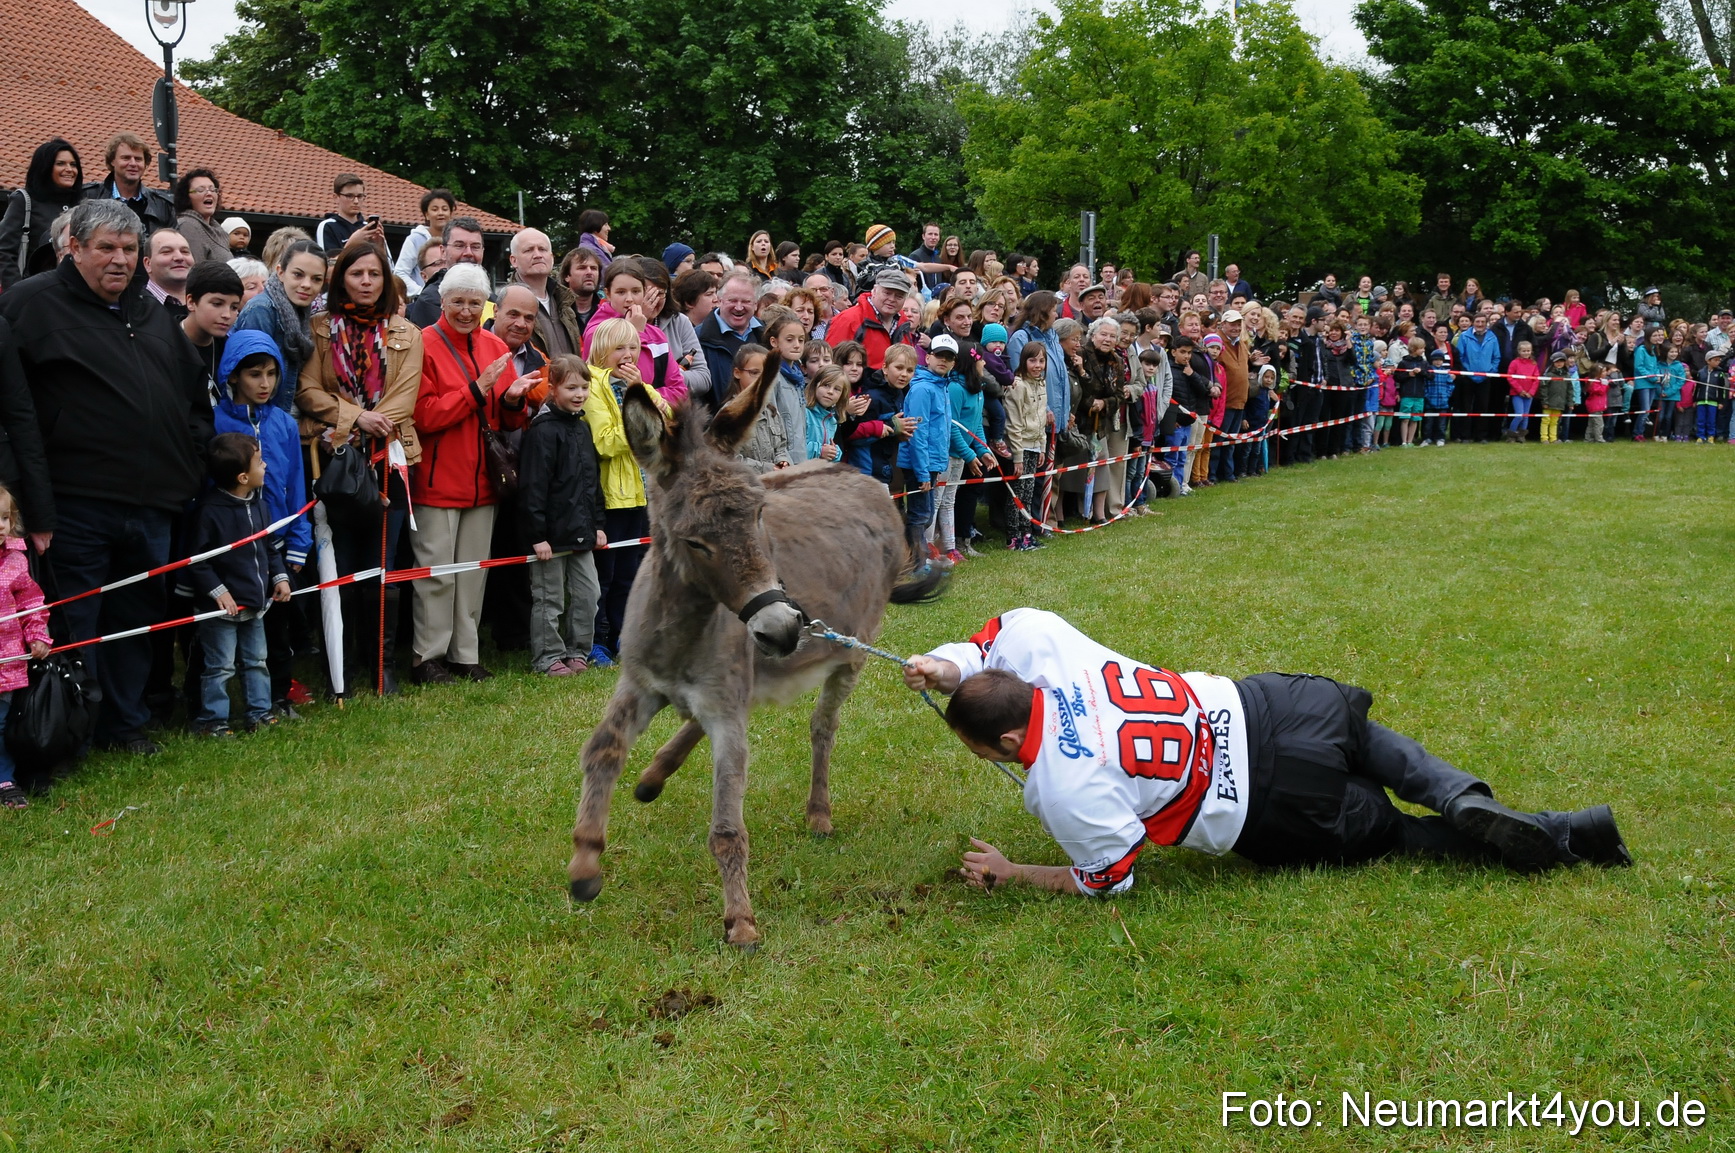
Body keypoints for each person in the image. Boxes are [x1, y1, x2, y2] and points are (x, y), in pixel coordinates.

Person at [904, 608, 1633, 894]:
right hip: (1270, 703)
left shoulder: (1061, 787)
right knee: (1385, 753)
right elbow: (991, 638)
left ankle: (1569, 834)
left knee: (1401, 837)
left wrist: (1015, 870)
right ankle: (1462, 793)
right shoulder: (1040, 643)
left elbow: (1109, 878)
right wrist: (949, 662)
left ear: (1003, 743)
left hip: (1271, 803)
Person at [0, 200, 210, 754]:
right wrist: (32, 508)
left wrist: (186, 466)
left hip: (153, 503)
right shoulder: (30, 305)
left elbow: (193, 401)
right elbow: (13, 414)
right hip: (74, 503)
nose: (120, 260)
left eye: (128, 249)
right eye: (105, 248)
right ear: (74, 247)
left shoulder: (152, 314)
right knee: (77, 624)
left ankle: (125, 725)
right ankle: (72, 729)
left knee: (135, 622)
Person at [298, 238, 423, 695]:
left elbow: (404, 398)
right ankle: (343, 663)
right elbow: (307, 391)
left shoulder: (408, 333)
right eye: (356, 274)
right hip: (333, 461)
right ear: (341, 278)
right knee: (340, 565)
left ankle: (381, 666)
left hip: (388, 459)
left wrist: (371, 420)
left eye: (374, 274)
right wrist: (355, 417)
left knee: (382, 566)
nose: (366, 282)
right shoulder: (318, 329)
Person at [411, 263, 531, 683]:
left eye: (473, 303)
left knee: (473, 573)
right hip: (437, 477)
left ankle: (466, 654)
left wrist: (515, 401)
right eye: (458, 301)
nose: (465, 310)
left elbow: (510, 421)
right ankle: (428, 657)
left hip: (484, 480)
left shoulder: (495, 345)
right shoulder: (422, 343)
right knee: (436, 574)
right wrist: (474, 391)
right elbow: (423, 415)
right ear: (441, 302)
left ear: (485, 307)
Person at [185, 433, 292, 738]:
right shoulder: (209, 511)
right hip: (220, 612)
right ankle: (213, 721)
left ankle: (259, 713)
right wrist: (219, 592)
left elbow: (269, 547)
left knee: (257, 661)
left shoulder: (259, 505)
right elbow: (197, 560)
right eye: (260, 461)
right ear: (243, 476)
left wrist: (279, 577)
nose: (266, 465)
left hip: (255, 605)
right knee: (220, 667)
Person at [584, 318, 669, 665]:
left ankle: (624, 635)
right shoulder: (592, 384)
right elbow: (604, 442)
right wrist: (643, 430)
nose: (628, 354)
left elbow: (668, 418)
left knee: (629, 574)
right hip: (610, 493)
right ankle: (596, 640)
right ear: (603, 351)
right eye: (620, 347)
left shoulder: (639, 385)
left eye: (634, 347)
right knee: (604, 575)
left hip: (641, 492)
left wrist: (642, 393)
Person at [519, 354, 608, 676]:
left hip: (581, 532)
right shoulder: (542, 432)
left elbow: (591, 482)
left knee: (588, 595)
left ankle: (577, 651)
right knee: (550, 599)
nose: (579, 394)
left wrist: (597, 524)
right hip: (550, 539)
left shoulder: (582, 428)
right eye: (571, 387)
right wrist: (538, 536)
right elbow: (533, 488)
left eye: (584, 387)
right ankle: (547, 656)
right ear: (553, 387)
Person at [0, 483, 52, 807]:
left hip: (7, 664)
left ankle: (4, 779)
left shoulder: (17, 563)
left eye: (3, 518)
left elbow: (33, 605)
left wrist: (37, 636)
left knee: (1, 725)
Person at [580, 259, 689, 407]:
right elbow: (616, 391)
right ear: (608, 294)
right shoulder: (598, 332)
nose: (629, 299)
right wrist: (635, 333)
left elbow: (680, 392)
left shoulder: (656, 335)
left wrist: (653, 398)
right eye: (621, 292)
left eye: (636, 291)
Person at [234, 239, 326, 411]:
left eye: (316, 279)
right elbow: (249, 380)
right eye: (298, 275)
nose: (306, 285)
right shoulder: (262, 310)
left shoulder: (302, 311)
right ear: (280, 272)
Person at [0, 138, 84, 288]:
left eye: (73, 164)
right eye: (60, 164)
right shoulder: (25, 201)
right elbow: (4, 252)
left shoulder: (81, 204)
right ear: (45, 167)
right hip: (34, 292)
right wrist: (16, 293)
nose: (69, 169)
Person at [825, 267, 916, 382]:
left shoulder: (904, 323)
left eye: (899, 296)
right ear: (874, 290)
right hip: (859, 396)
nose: (892, 299)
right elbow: (831, 368)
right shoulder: (847, 320)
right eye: (887, 293)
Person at [507, 228, 585, 360]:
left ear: (552, 257)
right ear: (513, 260)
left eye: (542, 249)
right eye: (529, 250)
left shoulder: (565, 302)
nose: (537, 255)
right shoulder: (507, 304)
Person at [80, 132, 175, 239]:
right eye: (126, 158)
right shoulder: (88, 196)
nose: (133, 163)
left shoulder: (163, 205)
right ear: (112, 161)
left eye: (138, 159)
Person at [696, 268, 765, 412]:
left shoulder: (766, 335)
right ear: (719, 301)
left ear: (756, 304)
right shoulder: (699, 338)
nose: (738, 307)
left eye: (746, 301)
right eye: (732, 300)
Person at [406, 217, 489, 328]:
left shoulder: (493, 298)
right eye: (459, 246)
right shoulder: (430, 300)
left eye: (475, 247)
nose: (468, 253)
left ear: (483, 251)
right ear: (443, 252)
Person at [182, 261, 245, 402]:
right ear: (191, 302)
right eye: (217, 304)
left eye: (234, 307)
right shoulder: (165, 345)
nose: (227, 315)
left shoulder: (231, 350)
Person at [392, 188, 455, 296]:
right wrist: (421, 292)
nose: (440, 213)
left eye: (444, 209)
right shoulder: (415, 240)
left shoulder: (456, 241)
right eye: (435, 209)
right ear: (426, 214)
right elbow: (400, 273)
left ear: (451, 213)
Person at [172, 169, 233, 266]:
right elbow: (195, 271)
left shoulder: (218, 230)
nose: (209, 193)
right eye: (201, 190)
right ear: (186, 197)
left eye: (213, 189)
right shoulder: (188, 226)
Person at [316, 173, 382, 256]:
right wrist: (351, 244)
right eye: (349, 196)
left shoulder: (369, 228)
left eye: (360, 196)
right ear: (336, 197)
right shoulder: (327, 226)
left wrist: (381, 247)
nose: (356, 201)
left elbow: (390, 266)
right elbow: (327, 264)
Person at [141, 228, 194, 318]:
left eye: (185, 251)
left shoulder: (207, 303)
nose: (179, 257)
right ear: (148, 264)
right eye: (167, 252)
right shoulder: (135, 308)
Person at [804, 364, 848, 463]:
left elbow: (829, 455)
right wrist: (820, 451)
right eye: (826, 385)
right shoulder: (804, 413)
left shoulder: (832, 420)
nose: (830, 392)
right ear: (815, 385)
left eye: (837, 389)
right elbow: (795, 449)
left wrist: (835, 453)